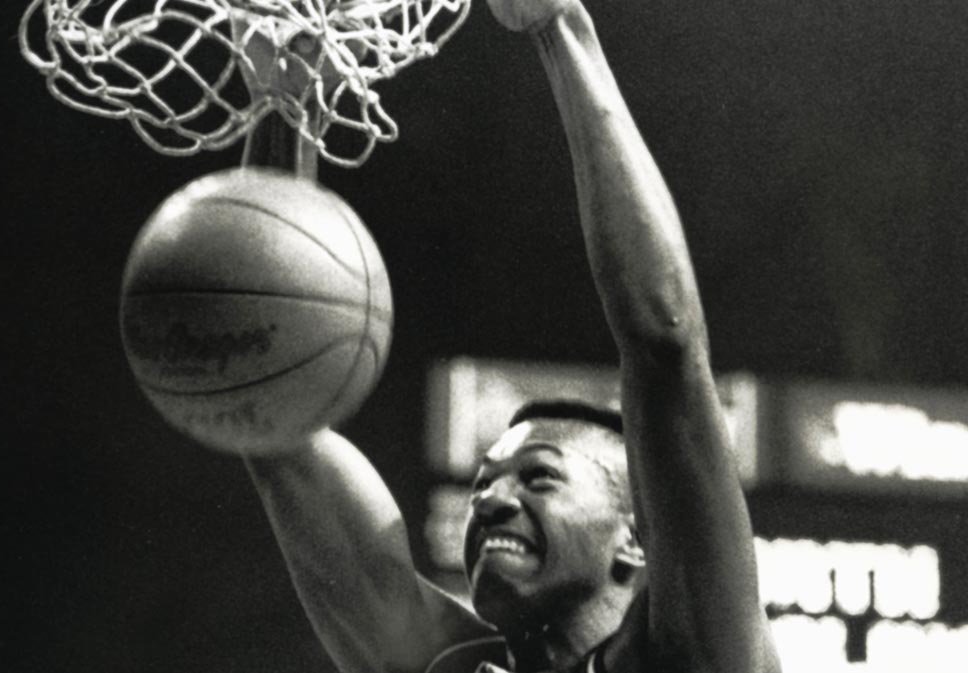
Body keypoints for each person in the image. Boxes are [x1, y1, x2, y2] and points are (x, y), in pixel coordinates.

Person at [239, 1, 782, 671]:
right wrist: (284, 101)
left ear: (636, 541)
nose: (491, 500)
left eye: (540, 478)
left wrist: (560, 25)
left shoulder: (693, 655)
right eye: (483, 483)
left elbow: (663, 345)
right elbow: (267, 409)